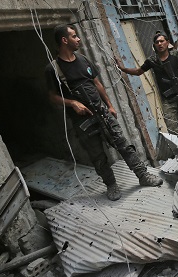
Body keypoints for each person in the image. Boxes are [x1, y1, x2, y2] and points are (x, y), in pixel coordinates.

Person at [45, 24, 163, 201]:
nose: (78, 39)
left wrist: (110, 104)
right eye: (74, 36)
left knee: (123, 144)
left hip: (102, 112)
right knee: (98, 155)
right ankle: (111, 185)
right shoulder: (53, 69)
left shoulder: (83, 60)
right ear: (64, 40)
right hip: (83, 121)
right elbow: (52, 97)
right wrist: (72, 103)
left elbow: (97, 83)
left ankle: (143, 175)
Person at [115, 32, 178, 138]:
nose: (159, 44)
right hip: (168, 100)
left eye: (162, 41)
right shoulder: (152, 61)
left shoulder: (176, 55)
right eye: (157, 42)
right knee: (173, 131)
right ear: (154, 45)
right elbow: (138, 71)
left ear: (167, 43)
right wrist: (122, 68)